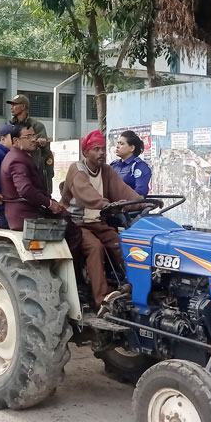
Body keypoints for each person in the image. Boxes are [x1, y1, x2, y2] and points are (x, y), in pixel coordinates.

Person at [61, 130, 143, 308]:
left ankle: (135, 286)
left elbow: (123, 191)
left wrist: (142, 203)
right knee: (94, 247)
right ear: (85, 152)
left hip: (97, 222)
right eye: (96, 149)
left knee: (120, 242)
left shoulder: (106, 170)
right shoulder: (77, 169)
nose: (101, 153)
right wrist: (106, 204)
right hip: (76, 223)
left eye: (103, 149)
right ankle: (102, 298)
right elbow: (86, 193)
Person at [0, 124, 82, 251]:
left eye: (34, 135)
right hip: (26, 215)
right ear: (16, 140)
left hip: (27, 211)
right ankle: (67, 268)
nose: (33, 139)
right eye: (28, 136)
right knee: (74, 232)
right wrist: (50, 204)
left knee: (65, 216)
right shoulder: (18, 159)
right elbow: (25, 189)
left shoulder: (19, 156)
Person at [7, 94, 54, 193]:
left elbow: (44, 150)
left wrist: (42, 142)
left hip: (33, 167)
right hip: (15, 166)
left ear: (23, 107)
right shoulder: (10, 125)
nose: (11, 107)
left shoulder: (37, 125)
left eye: (15, 104)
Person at [112, 130, 152, 195]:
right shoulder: (114, 166)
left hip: (129, 204)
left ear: (132, 148)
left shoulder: (139, 166)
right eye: (118, 143)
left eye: (121, 144)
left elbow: (140, 192)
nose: (117, 146)